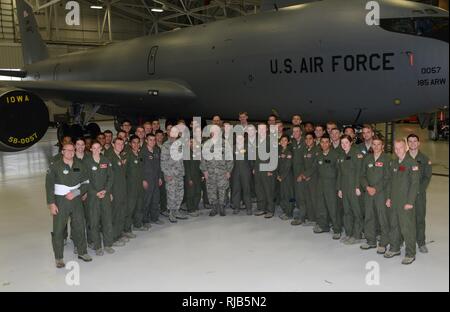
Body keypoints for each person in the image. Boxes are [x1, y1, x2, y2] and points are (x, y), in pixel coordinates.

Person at [45, 143, 92, 268]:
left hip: (76, 200)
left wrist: (77, 192)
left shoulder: (80, 165)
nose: (70, 152)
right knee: (59, 229)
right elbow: (49, 185)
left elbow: (86, 182)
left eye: (72, 150)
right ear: (62, 151)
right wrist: (51, 203)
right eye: (68, 150)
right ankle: (59, 258)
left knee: (79, 226)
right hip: (60, 201)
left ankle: (82, 252)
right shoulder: (55, 166)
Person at [385, 140, 420, 265]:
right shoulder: (394, 163)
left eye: (400, 147)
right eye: (396, 148)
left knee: (407, 228)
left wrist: (410, 202)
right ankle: (394, 248)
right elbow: (390, 182)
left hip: (406, 202)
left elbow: (415, 184)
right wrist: (388, 198)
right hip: (394, 201)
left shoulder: (412, 163)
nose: (398, 150)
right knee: (394, 226)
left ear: (405, 148)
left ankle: (410, 253)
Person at [359, 136, 391, 252]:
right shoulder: (367, 159)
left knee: (383, 218)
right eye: (374, 144)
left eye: (379, 144)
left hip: (381, 193)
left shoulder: (387, 159)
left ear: (383, 146)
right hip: (368, 192)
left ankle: (383, 242)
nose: (376, 146)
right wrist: (367, 187)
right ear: (371, 146)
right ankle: (370, 240)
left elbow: (388, 178)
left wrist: (375, 188)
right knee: (369, 216)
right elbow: (362, 175)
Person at [84, 141, 116, 255]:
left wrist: (106, 190)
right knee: (94, 221)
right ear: (91, 149)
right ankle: (97, 246)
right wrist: (94, 192)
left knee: (107, 220)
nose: (96, 150)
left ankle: (108, 244)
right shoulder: (86, 162)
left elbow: (111, 177)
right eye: (94, 148)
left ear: (101, 149)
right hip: (93, 198)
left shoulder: (105, 160)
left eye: (98, 148)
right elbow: (85, 181)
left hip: (105, 195)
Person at [200, 125, 234, 216]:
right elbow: (203, 159)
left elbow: (230, 158)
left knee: (222, 190)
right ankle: (214, 207)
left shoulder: (225, 144)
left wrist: (228, 171)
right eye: (213, 131)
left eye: (217, 131)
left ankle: (222, 207)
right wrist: (205, 171)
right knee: (211, 190)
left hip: (222, 172)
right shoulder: (206, 144)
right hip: (210, 172)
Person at [407, 134, 432, 254]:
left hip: (419, 195)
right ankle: (405, 240)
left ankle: (421, 242)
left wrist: (419, 190)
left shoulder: (425, 159)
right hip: (405, 195)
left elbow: (427, 177)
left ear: (418, 143)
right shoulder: (403, 157)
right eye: (410, 141)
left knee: (420, 218)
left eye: (414, 141)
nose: (412, 143)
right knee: (405, 219)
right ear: (407, 143)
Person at [337, 135, 364, 245]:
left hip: (354, 187)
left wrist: (358, 186)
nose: (344, 145)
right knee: (347, 212)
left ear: (351, 143)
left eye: (346, 142)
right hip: (344, 187)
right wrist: (339, 188)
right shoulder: (341, 155)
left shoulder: (357, 154)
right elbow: (340, 173)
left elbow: (360, 171)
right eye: (342, 143)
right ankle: (349, 233)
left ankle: (357, 235)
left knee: (356, 212)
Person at [313, 135, 341, 239]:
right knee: (321, 206)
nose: (324, 144)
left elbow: (339, 172)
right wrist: (304, 175)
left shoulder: (335, 155)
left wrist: (338, 187)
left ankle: (337, 229)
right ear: (320, 144)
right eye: (322, 142)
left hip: (331, 184)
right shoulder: (319, 155)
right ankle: (323, 226)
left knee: (333, 207)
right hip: (321, 183)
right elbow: (314, 168)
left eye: (326, 142)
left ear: (329, 143)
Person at [161, 125, 188, 223]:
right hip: (171, 174)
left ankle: (176, 211)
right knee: (171, 194)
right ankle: (171, 214)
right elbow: (163, 161)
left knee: (179, 193)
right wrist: (167, 174)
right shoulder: (166, 145)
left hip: (179, 173)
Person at [104, 138, 129, 245]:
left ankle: (118, 234)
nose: (120, 145)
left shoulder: (120, 156)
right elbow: (106, 176)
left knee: (120, 212)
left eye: (122, 144)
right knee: (114, 214)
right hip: (114, 190)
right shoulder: (110, 157)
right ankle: (112, 238)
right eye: (118, 143)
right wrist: (109, 192)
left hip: (122, 189)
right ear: (113, 144)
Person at [253, 123, 276, 218]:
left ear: (267, 129)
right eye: (260, 129)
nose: (261, 130)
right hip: (258, 169)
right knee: (259, 190)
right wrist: (254, 167)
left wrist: (271, 169)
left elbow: (274, 156)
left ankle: (270, 210)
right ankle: (261, 208)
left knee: (268, 190)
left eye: (263, 128)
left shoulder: (271, 140)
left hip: (267, 169)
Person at [140, 133, 164, 226]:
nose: (153, 142)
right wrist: (143, 180)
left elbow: (159, 166)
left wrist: (159, 178)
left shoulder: (157, 150)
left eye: (154, 140)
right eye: (150, 140)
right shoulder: (142, 152)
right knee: (146, 200)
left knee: (155, 199)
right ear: (146, 140)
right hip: (147, 180)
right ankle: (144, 220)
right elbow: (140, 167)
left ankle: (155, 218)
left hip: (155, 179)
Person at [298, 132, 320, 225]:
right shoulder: (305, 149)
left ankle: (318, 220)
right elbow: (302, 164)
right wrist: (303, 175)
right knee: (308, 198)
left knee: (315, 199)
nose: (308, 140)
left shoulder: (317, 149)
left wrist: (306, 175)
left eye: (310, 138)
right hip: (305, 178)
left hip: (314, 178)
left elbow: (315, 165)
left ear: (314, 139)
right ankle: (311, 219)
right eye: (306, 139)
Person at [123, 135, 143, 238]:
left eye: (137, 142)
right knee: (129, 209)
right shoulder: (127, 155)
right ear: (130, 144)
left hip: (139, 186)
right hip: (130, 187)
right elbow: (123, 173)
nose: (136, 144)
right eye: (134, 142)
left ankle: (137, 224)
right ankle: (126, 229)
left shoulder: (139, 154)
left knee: (138, 206)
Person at [231, 133, 253, 215]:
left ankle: (249, 208)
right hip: (235, 171)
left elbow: (252, 160)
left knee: (246, 189)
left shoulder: (248, 147)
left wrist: (252, 169)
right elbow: (230, 160)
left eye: (241, 138)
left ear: (244, 139)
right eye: (238, 138)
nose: (239, 140)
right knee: (236, 189)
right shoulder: (233, 147)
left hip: (246, 171)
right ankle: (236, 207)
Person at [290, 125, 306, 225]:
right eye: (294, 131)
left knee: (302, 196)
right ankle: (299, 214)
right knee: (297, 196)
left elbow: (307, 161)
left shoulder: (305, 142)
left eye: (297, 131)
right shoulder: (293, 143)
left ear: (301, 132)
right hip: (294, 174)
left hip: (301, 174)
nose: (295, 133)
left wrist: (303, 174)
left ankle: (302, 217)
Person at [276, 135, 294, 220]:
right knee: (283, 194)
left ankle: (289, 212)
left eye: (285, 140)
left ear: (288, 142)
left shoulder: (289, 152)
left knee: (289, 195)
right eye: (282, 140)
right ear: (279, 142)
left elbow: (288, 166)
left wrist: (282, 177)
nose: (283, 142)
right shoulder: (279, 152)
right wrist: (278, 175)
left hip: (287, 177)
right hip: (280, 177)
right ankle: (285, 211)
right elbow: (277, 165)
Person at [184, 138, 203, 217]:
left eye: (194, 142)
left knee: (198, 192)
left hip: (197, 176)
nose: (192, 144)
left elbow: (201, 165)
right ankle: (190, 209)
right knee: (190, 193)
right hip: (190, 177)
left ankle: (195, 207)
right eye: (191, 142)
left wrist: (202, 175)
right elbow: (186, 167)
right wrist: (189, 179)